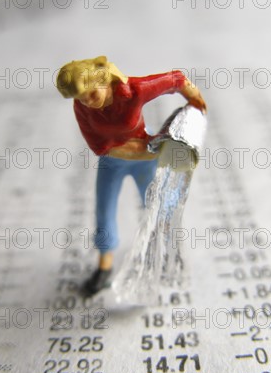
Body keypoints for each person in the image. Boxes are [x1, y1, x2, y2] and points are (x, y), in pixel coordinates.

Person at [56, 56, 206, 295]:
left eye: (91, 95)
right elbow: (98, 145)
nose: (87, 102)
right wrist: (138, 150)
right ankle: (105, 265)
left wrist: (195, 99)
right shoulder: (82, 106)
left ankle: (166, 253)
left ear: (104, 81)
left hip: (145, 162)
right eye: (80, 98)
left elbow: (175, 79)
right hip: (113, 164)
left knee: (158, 206)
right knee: (104, 210)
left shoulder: (134, 91)